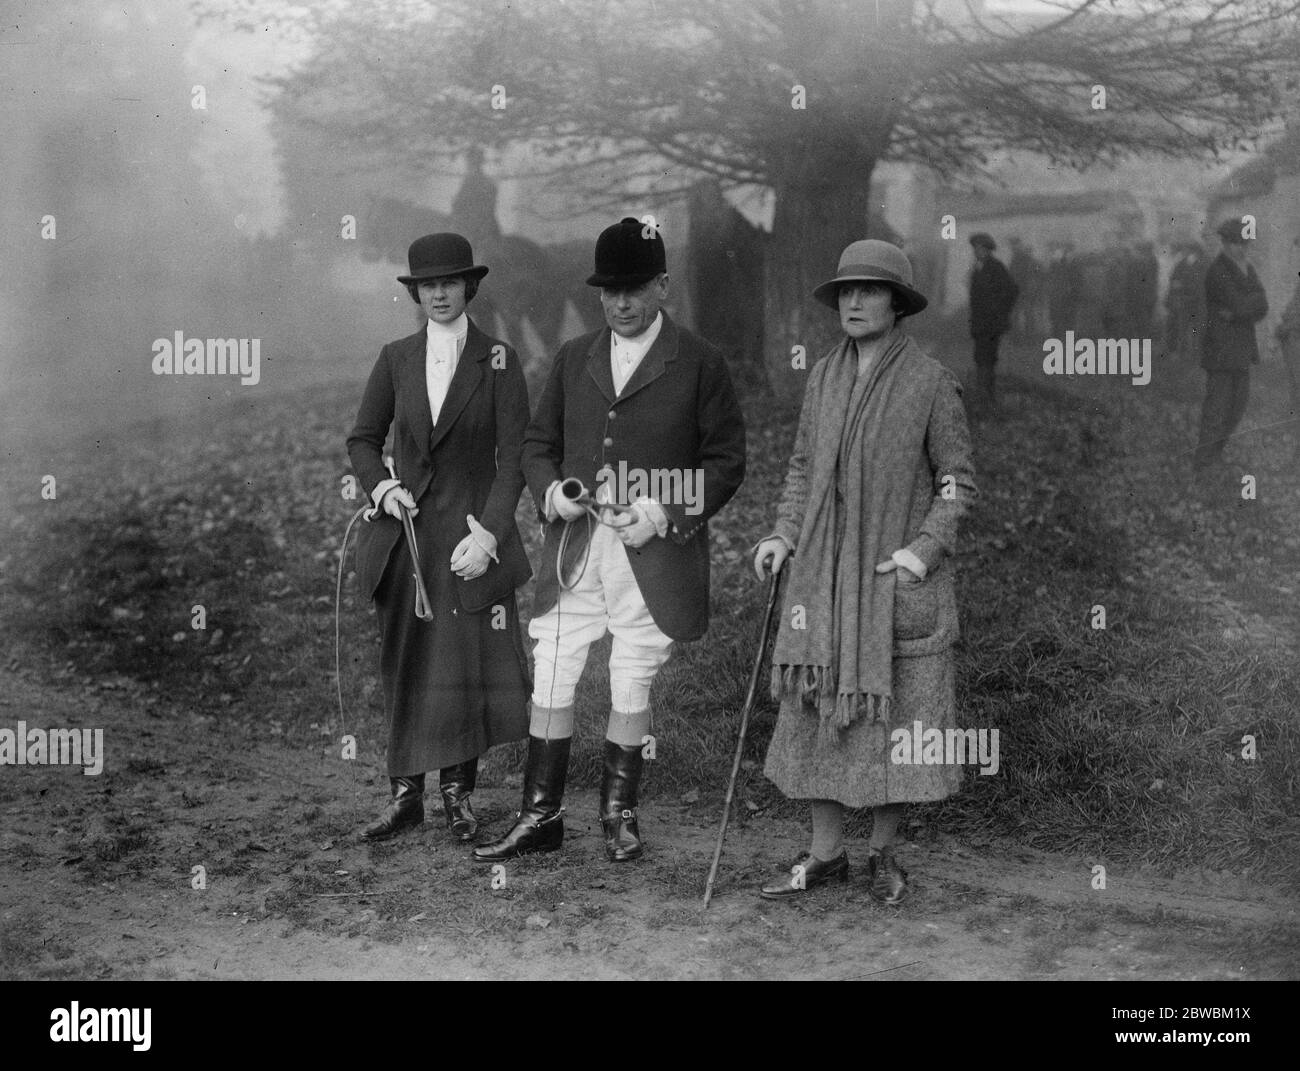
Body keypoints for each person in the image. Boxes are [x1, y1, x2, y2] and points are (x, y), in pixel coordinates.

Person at [473, 217, 746, 864]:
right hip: (576, 546)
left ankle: (619, 813)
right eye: (608, 290)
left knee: (631, 677)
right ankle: (539, 814)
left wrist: (660, 511)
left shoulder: (700, 362)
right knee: (555, 668)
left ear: (662, 286)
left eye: (634, 288)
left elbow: (725, 462)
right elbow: (538, 446)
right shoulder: (573, 358)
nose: (620, 302)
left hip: (650, 552)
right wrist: (553, 492)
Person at [752, 239, 976, 904]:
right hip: (822, 579)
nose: (853, 301)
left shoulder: (930, 383)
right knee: (818, 709)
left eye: (869, 290)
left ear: (897, 304)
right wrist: (784, 531)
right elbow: (801, 466)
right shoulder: (822, 376)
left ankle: (882, 855)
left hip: (889, 580)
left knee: (893, 720)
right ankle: (824, 856)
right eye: (845, 290)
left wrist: (923, 549)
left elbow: (957, 482)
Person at [346, 232, 533, 842]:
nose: (440, 294)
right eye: (428, 286)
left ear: (468, 287)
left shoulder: (499, 359)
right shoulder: (395, 357)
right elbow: (362, 440)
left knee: (460, 666)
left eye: (450, 283)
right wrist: (380, 489)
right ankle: (405, 796)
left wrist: (491, 536)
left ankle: (458, 796)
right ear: (415, 293)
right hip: (405, 541)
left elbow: (516, 460)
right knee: (404, 663)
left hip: (466, 542)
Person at [1194, 218, 1268, 470]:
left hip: (1242, 350)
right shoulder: (1217, 271)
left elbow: (1262, 305)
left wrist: (1241, 309)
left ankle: (1214, 456)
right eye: (1237, 243)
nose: (1243, 249)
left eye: (1246, 243)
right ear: (1225, 243)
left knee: (1236, 409)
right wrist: (1247, 304)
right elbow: (1243, 304)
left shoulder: (1246, 268)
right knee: (1217, 410)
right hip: (1222, 351)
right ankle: (1203, 463)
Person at [967, 232, 1018, 415]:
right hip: (980, 323)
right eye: (975, 248)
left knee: (988, 358)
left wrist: (999, 312)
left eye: (980, 248)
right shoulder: (976, 269)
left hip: (991, 324)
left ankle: (987, 395)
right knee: (980, 357)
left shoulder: (996, 268)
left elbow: (1012, 291)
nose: (976, 251)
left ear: (988, 250)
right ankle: (983, 394)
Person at [1272, 269, 1300, 462]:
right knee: (1297, 396)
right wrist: (1283, 325)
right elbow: (1292, 307)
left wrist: (1288, 325)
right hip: (1294, 344)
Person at [1166, 241, 1208, 362]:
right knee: (1184, 327)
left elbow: (1201, 282)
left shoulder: (1203, 263)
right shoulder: (1183, 263)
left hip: (1197, 301)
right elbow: (1174, 278)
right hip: (1187, 300)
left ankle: (1193, 354)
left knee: (1193, 328)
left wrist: (1181, 285)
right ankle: (1184, 353)